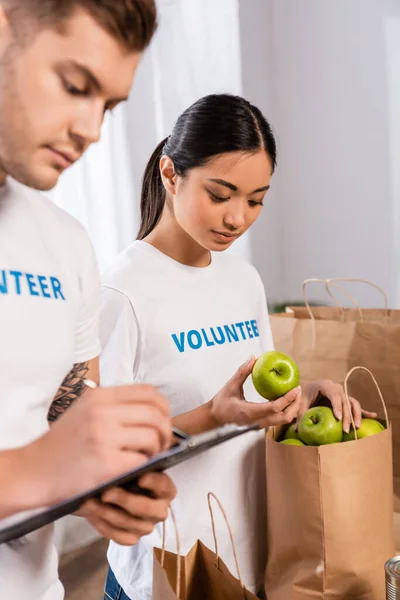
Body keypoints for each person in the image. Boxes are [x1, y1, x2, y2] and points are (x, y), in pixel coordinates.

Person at [99, 93, 376, 599]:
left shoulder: (243, 280)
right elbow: (103, 462)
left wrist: (304, 394)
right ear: (170, 174)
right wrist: (213, 415)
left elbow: (251, 400)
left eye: (255, 200)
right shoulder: (121, 293)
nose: (237, 218)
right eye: (220, 194)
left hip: (247, 557)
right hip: (167, 570)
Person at [0, 2, 177, 599]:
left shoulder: (66, 243)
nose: (92, 129)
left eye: (109, 105)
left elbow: (61, 407)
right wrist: (34, 473)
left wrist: (106, 481)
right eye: (76, 86)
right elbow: (37, 465)